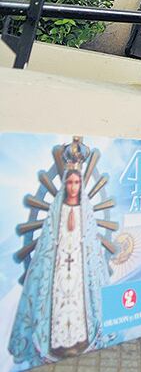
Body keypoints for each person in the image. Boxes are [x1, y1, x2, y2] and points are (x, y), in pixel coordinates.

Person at [9, 140, 110, 366]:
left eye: (77, 182)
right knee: (59, 303)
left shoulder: (86, 213)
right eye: (71, 182)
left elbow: (93, 248)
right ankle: (56, 344)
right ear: (65, 184)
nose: (73, 186)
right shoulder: (57, 211)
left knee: (78, 305)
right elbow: (46, 246)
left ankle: (80, 341)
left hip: (79, 271)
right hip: (58, 269)